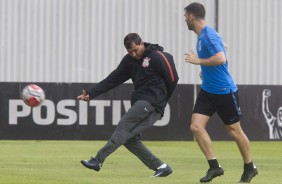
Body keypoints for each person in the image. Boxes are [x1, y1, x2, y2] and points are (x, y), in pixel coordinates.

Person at [77, 33, 178, 177]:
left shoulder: (157, 56)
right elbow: (113, 79)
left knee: (124, 125)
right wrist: (91, 93)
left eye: (135, 50)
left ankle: (98, 160)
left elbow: (173, 78)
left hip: (152, 103)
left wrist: (162, 100)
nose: (134, 54)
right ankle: (161, 166)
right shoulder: (129, 61)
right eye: (130, 52)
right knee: (129, 139)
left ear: (141, 43)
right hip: (143, 102)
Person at [183, 2, 258, 183]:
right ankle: (214, 167)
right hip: (208, 90)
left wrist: (198, 61)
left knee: (234, 131)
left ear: (191, 16)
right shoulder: (204, 35)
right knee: (196, 127)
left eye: (185, 16)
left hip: (224, 90)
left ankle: (250, 167)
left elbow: (221, 57)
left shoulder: (207, 35)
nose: (184, 19)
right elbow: (223, 47)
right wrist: (206, 70)